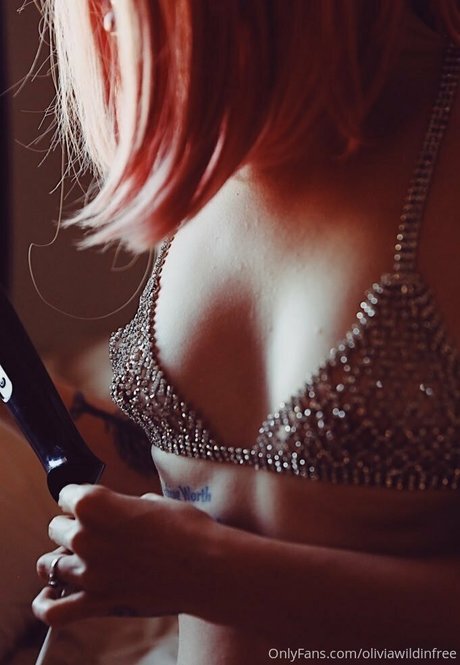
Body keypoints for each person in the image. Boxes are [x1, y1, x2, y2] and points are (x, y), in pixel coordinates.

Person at [30, 1, 460, 663]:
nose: (109, 21)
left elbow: (208, 547)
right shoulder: (223, 137)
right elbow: (220, 480)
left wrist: (206, 571)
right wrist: (44, 410)